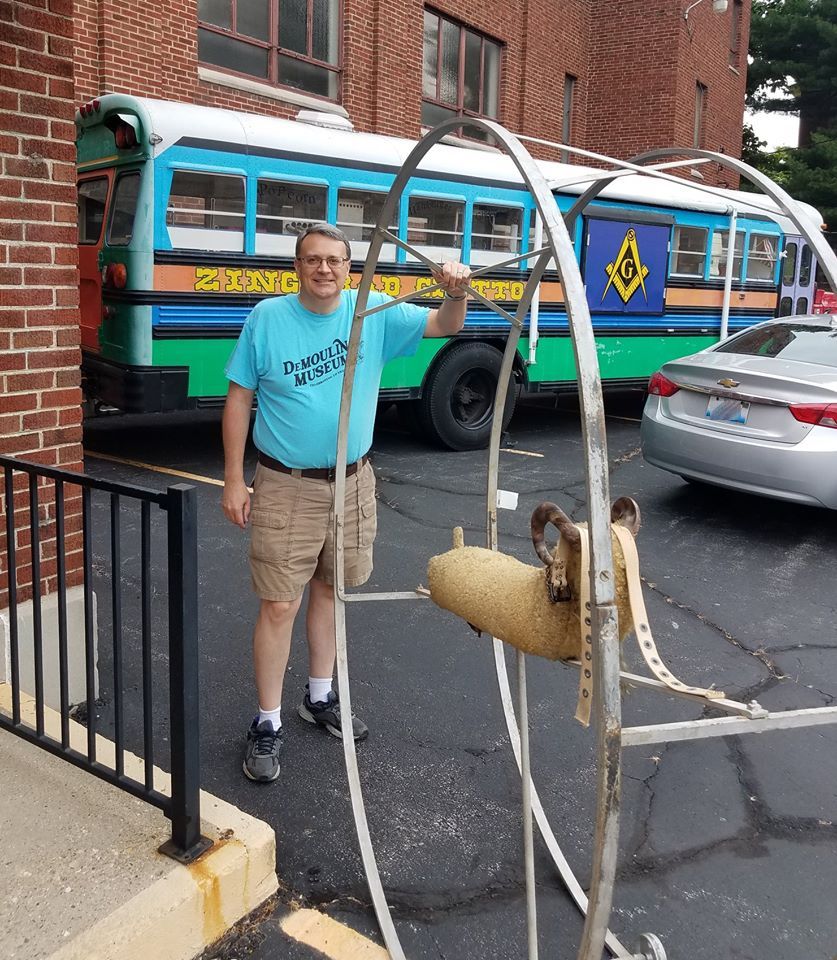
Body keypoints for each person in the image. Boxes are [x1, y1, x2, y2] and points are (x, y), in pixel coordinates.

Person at [221, 223, 471, 783]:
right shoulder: (267, 319)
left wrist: (453, 290)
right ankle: (266, 722)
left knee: (331, 589)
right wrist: (234, 479)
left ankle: (319, 696)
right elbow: (239, 397)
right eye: (313, 260)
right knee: (279, 603)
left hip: (353, 482)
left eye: (335, 260)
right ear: (297, 267)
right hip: (286, 482)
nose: (324, 270)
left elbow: (444, 324)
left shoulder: (372, 311)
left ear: (350, 267)